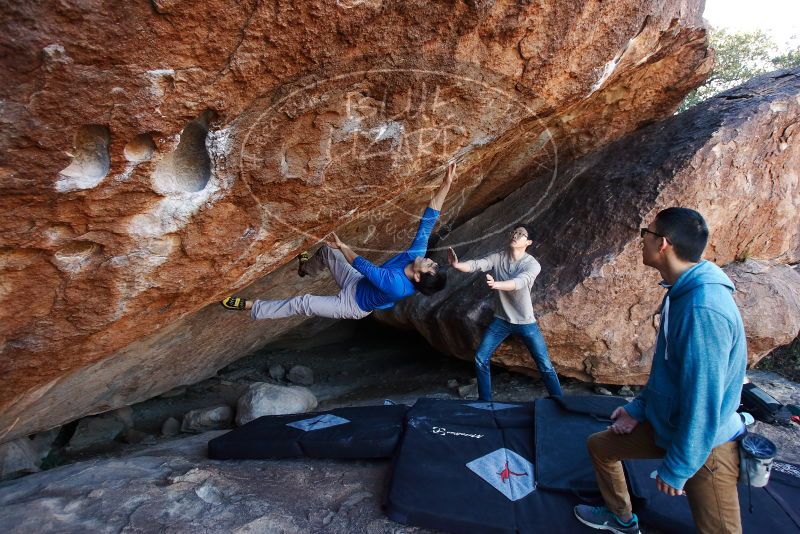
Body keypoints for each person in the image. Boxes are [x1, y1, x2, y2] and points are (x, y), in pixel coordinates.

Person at [574, 207, 747, 534]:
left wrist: (679, 467)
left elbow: (703, 400)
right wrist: (638, 409)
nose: (642, 240)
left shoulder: (703, 309)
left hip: (705, 443)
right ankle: (622, 518)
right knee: (602, 446)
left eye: (646, 233)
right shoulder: (679, 291)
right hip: (671, 423)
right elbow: (667, 371)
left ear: (663, 243)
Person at [220, 161, 456, 320]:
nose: (429, 260)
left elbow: (361, 264)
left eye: (429, 266)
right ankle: (305, 268)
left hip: (352, 305)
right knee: (326, 252)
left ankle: (251, 306)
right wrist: (446, 184)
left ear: (417, 276)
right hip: (358, 282)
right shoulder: (415, 256)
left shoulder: (396, 284)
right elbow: (428, 220)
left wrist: (344, 246)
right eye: (433, 263)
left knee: (304, 303)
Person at [448, 224, 563, 400]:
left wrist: (497, 285)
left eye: (521, 234)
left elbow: (519, 282)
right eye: (514, 231)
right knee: (480, 358)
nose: (515, 235)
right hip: (501, 320)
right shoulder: (499, 257)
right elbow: (478, 264)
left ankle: (559, 402)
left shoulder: (532, 264)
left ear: (529, 242)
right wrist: (457, 265)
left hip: (526, 323)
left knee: (545, 365)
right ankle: (485, 401)